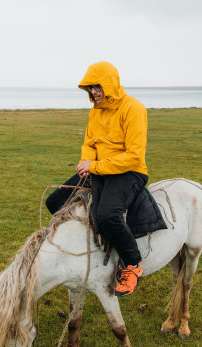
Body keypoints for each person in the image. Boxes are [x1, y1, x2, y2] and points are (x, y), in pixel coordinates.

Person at [46, 61, 148, 297]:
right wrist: (86, 164)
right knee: (55, 201)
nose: (94, 92)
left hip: (129, 173)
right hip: (98, 169)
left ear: (109, 85)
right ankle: (77, 244)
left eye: (98, 87)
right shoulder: (96, 110)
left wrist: (95, 166)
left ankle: (132, 264)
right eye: (90, 88)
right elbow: (90, 143)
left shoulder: (134, 108)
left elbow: (133, 156)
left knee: (107, 215)